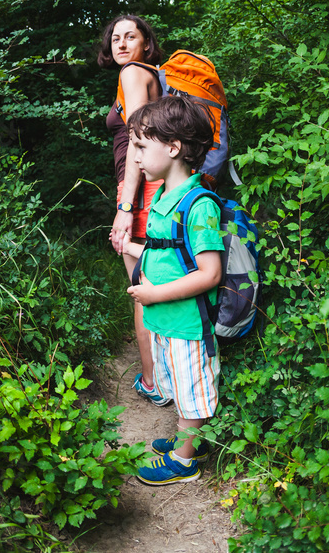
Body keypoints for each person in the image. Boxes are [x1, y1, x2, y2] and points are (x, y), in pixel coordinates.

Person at [121, 95, 223, 485]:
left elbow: (209, 273)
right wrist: (131, 248)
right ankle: (189, 438)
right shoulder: (165, 195)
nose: (137, 157)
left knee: (192, 387)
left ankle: (184, 460)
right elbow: (166, 250)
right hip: (166, 319)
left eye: (142, 147)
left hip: (186, 322)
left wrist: (154, 295)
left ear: (174, 148)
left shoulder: (199, 204)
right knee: (178, 384)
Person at [97, 14, 168, 406]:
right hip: (153, 188)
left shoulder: (133, 74)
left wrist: (125, 206)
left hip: (141, 191)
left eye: (131, 37)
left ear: (145, 44)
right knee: (159, 281)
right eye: (115, 38)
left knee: (141, 289)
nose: (121, 44)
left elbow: (139, 141)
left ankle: (153, 382)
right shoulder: (147, 75)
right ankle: (170, 377)